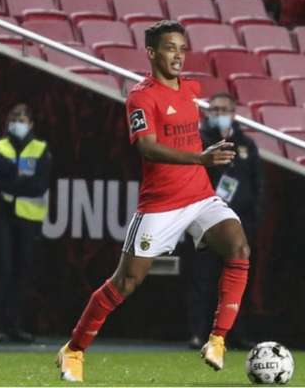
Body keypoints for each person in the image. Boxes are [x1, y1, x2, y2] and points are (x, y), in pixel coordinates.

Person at [56, 20, 250, 382]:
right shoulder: (141, 97)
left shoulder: (190, 90)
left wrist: (208, 155)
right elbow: (146, 147)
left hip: (200, 196)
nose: (177, 55)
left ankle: (217, 340)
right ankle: (74, 350)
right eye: (169, 48)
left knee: (238, 247)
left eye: (181, 48)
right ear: (151, 52)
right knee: (125, 282)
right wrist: (200, 159)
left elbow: (188, 139)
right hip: (160, 204)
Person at [188, 92, 262, 349]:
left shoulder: (246, 145)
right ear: (207, 112)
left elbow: (257, 184)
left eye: (224, 109)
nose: (219, 114)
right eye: (215, 109)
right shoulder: (198, 142)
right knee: (203, 280)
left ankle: (235, 334)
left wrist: (254, 220)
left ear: (234, 112)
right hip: (207, 223)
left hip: (240, 226)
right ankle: (199, 334)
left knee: (237, 282)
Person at [0, 103, 51, 343]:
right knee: (2, 269)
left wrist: (8, 183)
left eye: (23, 119)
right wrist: (14, 181)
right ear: (8, 123)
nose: (19, 123)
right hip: (1, 214)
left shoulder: (40, 149)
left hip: (27, 219)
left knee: (21, 271)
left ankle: (13, 324)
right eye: (15, 118)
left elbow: (38, 185)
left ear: (31, 124)